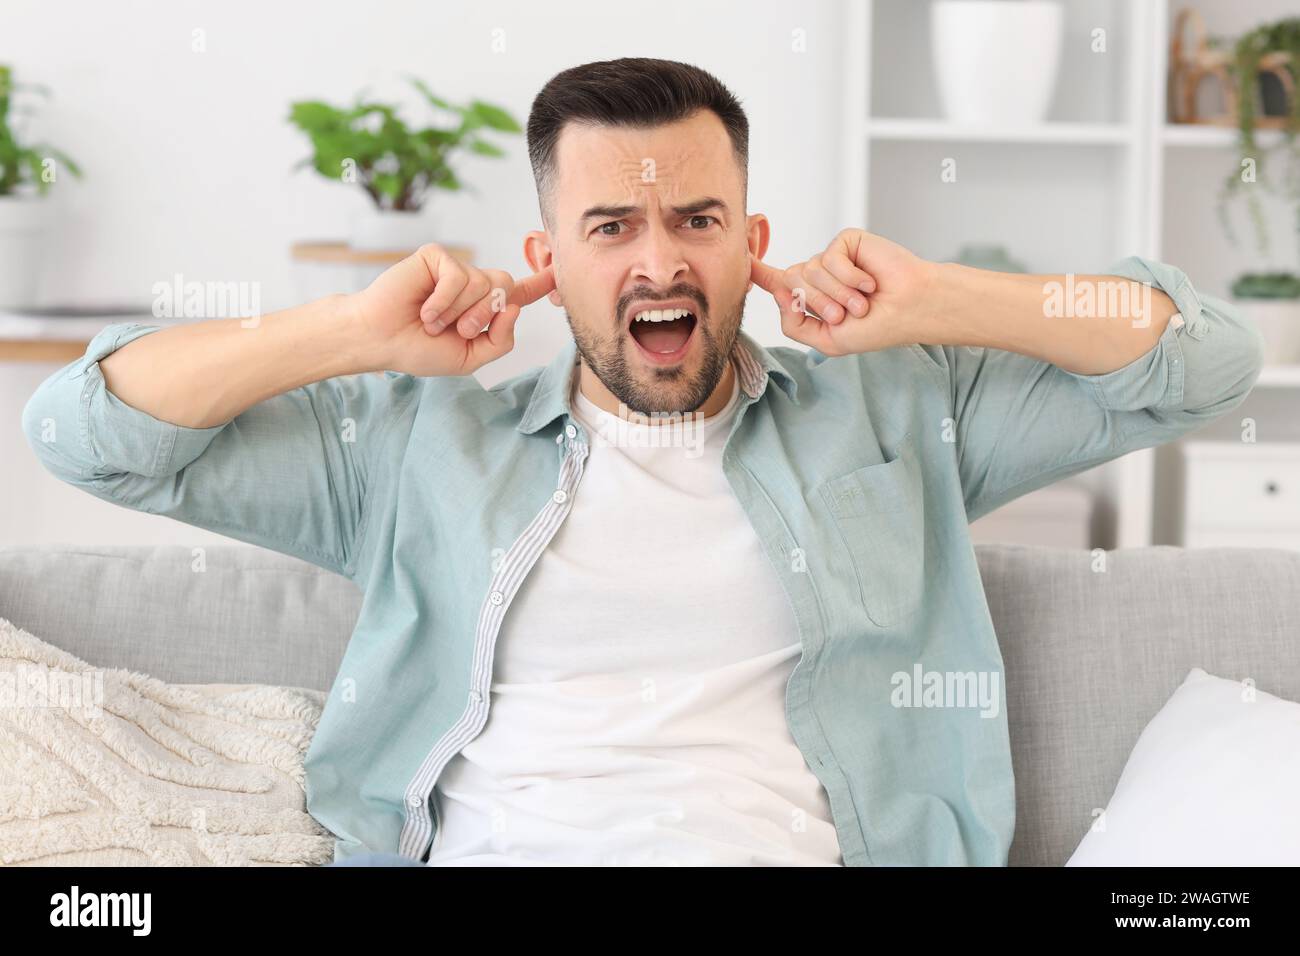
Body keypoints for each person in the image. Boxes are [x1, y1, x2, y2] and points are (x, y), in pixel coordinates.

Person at [23, 57, 1264, 867]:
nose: (658, 262)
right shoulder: (418, 446)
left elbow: (1204, 361)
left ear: (751, 240)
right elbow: (88, 433)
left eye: (697, 220)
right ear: (548, 258)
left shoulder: (890, 415)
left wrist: (942, 294)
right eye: (609, 227)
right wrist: (349, 330)